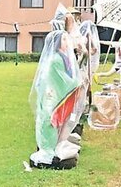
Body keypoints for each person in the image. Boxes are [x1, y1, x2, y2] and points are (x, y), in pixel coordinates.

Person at [30, 30, 82, 166]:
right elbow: (65, 81)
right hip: (51, 98)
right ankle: (47, 150)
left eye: (67, 39)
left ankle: (52, 147)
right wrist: (77, 82)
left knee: (55, 123)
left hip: (53, 96)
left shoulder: (61, 57)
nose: (67, 43)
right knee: (50, 122)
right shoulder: (56, 59)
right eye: (64, 40)